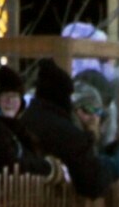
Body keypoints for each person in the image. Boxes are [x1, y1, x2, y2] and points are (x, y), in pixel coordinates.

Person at [19, 61, 108, 196]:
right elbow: (93, 184)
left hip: (21, 198)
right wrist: (90, 139)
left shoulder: (25, 118)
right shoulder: (69, 134)